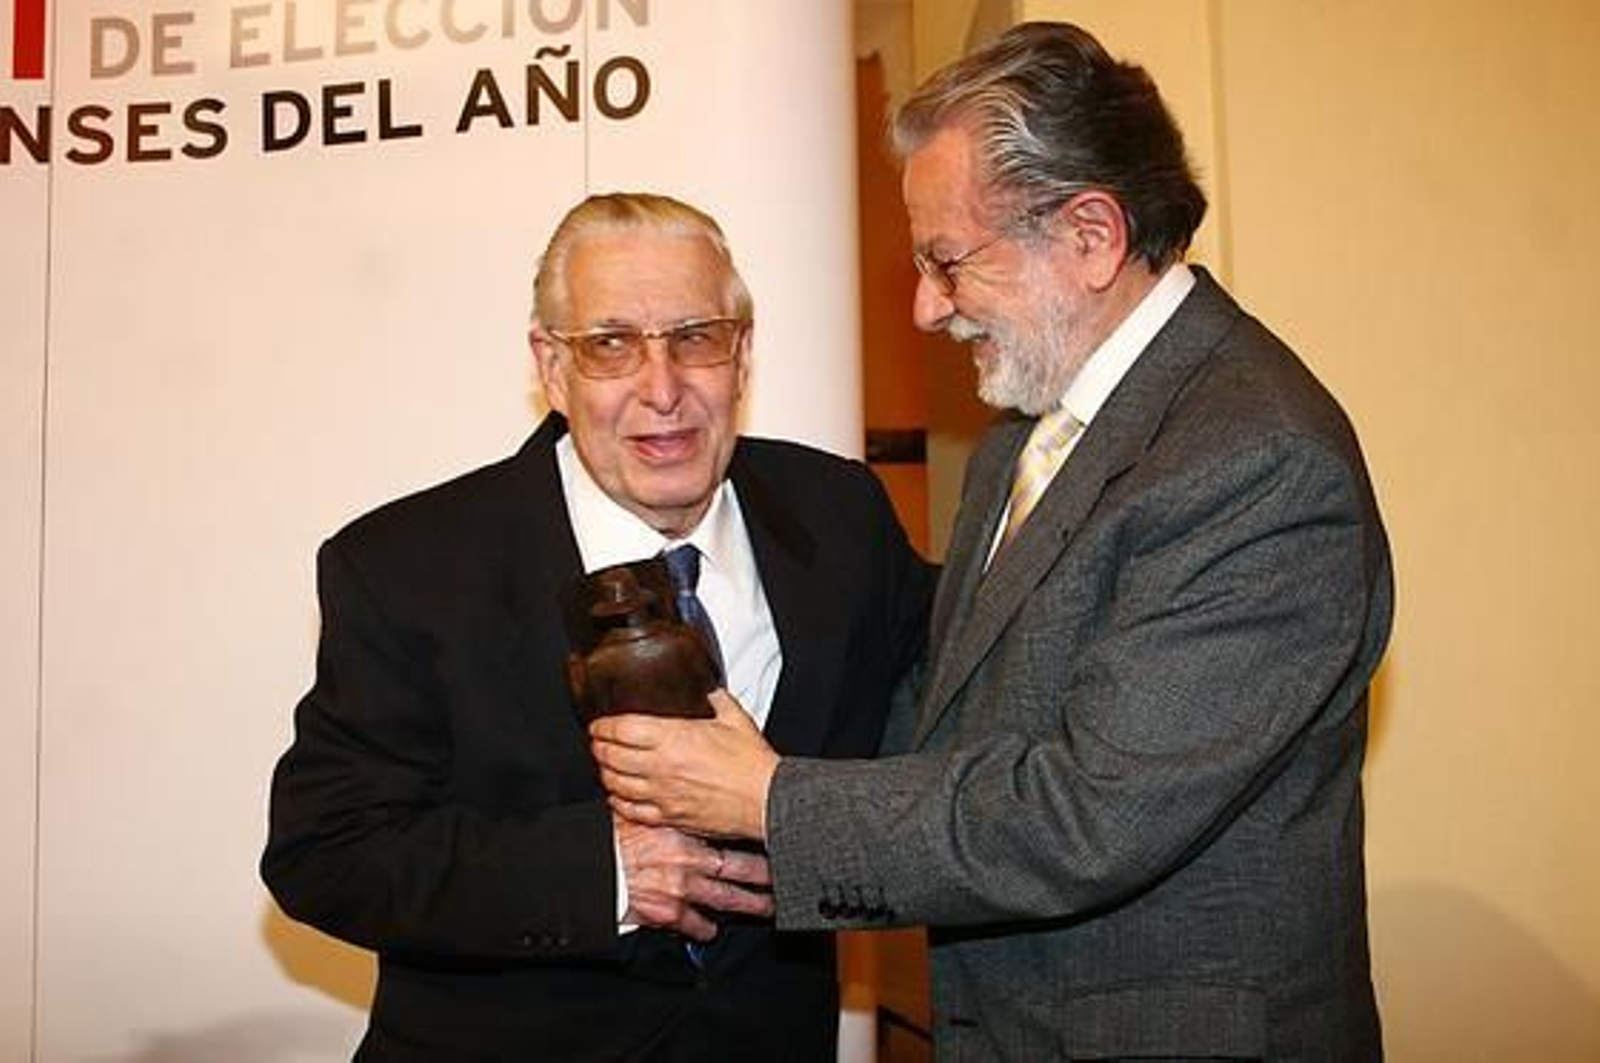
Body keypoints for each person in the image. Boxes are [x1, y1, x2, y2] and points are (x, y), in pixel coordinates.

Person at [591, 22, 1394, 1061]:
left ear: (1091, 236)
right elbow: (955, 701)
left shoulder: (1255, 465)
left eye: (947, 261)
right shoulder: (1028, 431)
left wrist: (767, 796)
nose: (927, 308)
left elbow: (1085, 814)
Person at [261, 192, 933, 1061]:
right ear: (552, 364)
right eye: (611, 345)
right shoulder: (408, 565)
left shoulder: (841, 516)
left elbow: (966, 697)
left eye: (695, 336)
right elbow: (327, 852)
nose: (663, 390)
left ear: (742, 351)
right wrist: (609, 873)